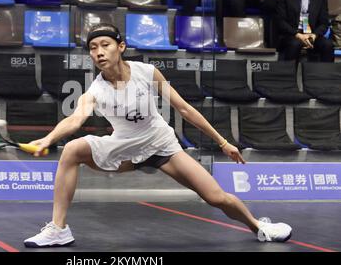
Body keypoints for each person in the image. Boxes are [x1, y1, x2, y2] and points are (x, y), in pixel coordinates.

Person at [23, 23, 293, 247]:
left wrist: (223, 143)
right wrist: (49, 139)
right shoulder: (95, 90)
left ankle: (258, 226)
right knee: (72, 150)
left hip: (161, 145)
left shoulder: (146, 72)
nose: (98, 52)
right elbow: (76, 118)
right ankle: (59, 228)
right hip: (125, 149)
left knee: (216, 198)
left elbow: (184, 109)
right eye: (93, 48)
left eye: (105, 44)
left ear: (121, 47)